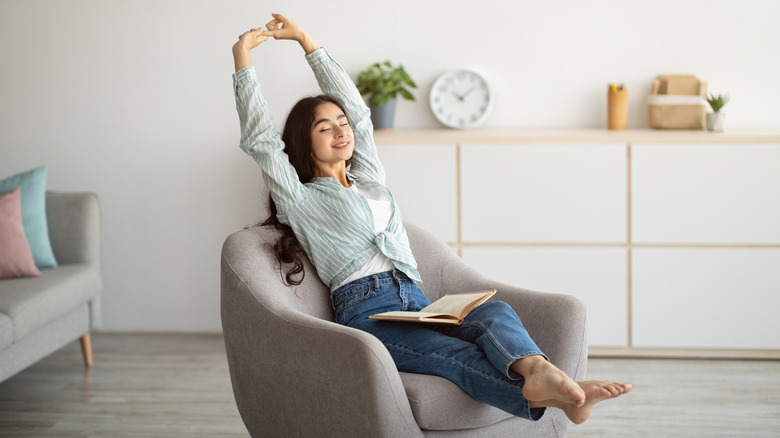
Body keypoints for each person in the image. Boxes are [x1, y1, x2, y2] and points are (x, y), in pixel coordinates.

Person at [232, 13, 631, 424]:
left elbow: (361, 114)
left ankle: (541, 373)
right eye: (324, 127)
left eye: (342, 122)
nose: (341, 129)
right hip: (366, 310)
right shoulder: (300, 198)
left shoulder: (368, 178)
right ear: (304, 140)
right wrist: (242, 58)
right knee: (456, 354)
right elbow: (261, 140)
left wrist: (307, 42)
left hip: (415, 299)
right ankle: (557, 398)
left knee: (495, 314)